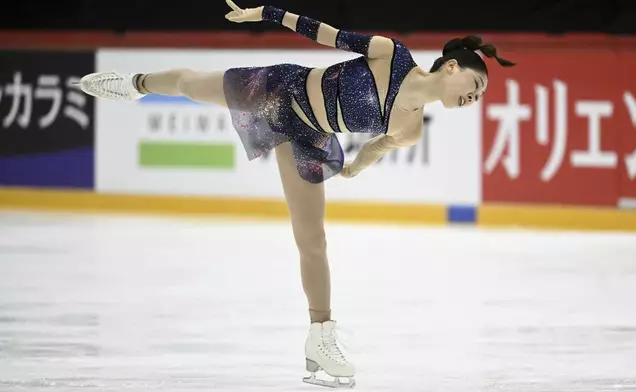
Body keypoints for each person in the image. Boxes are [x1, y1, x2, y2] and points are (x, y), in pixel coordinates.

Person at [78, 0, 515, 388]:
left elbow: (380, 145)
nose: (473, 99)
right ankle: (134, 83)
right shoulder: (392, 54)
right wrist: (268, 13)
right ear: (453, 68)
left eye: (478, 98)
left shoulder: (412, 127)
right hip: (278, 90)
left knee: (313, 240)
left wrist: (353, 168)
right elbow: (327, 35)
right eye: (475, 88)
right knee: (193, 86)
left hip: (308, 138)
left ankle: (321, 336)